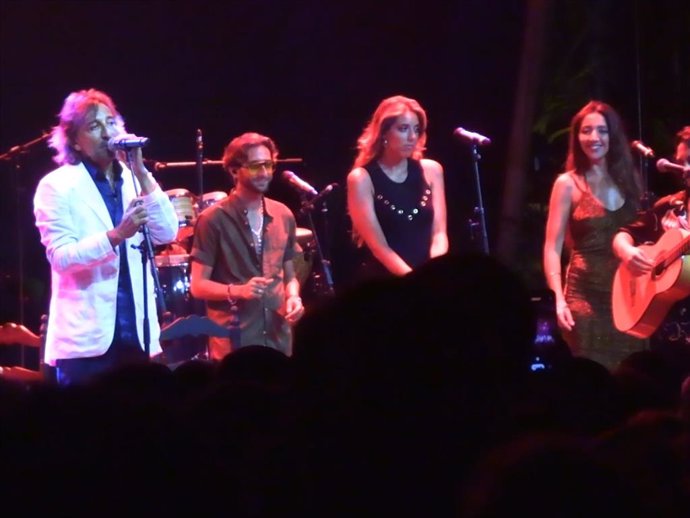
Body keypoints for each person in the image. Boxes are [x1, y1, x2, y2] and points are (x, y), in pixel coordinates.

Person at [33, 88, 178, 385]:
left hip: (137, 334)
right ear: (74, 140)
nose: (106, 132)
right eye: (93, 126)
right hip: (87, 342)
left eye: (110, 123)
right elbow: (61, 258)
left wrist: (141, 172)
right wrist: (116, 235)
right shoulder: (57, 186)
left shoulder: (132, 180)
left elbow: (167, 231)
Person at [543, 100, 647, 370]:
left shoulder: (630, 181)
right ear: (577, 138)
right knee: (592, 381)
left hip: (630, 301)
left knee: (632, 381)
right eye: (586, 131)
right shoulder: (568, 184)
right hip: (585, 300)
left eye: (601, 130)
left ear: (612, 135)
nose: (594, 137)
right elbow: (552, 248)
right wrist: (558, 298)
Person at [189, 132, 304, 360]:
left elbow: (289, 275)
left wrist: (294, 297)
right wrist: (238, 291)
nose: (264, 173)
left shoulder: (283, 214)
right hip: (235, 345)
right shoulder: (212, 219)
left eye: (268, 165)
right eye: (255, 166)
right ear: (234, 170)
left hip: (278, 340)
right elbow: (198, 286)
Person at [612, 124, 690, 388]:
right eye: (681, 162)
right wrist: (629, 252)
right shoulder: (669, 204)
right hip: (667, 335)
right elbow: (623, 234)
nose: (685, 168)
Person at [346, 95, 448, 281]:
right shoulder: (361, 179)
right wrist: (414, 280)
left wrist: (435, 274)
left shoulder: (432, 170)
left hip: (428, 281)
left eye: (416, 130)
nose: (412, 137)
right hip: (385, 282)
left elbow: (439, 234)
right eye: (403, 129)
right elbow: (379, 247)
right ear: (383, 132)